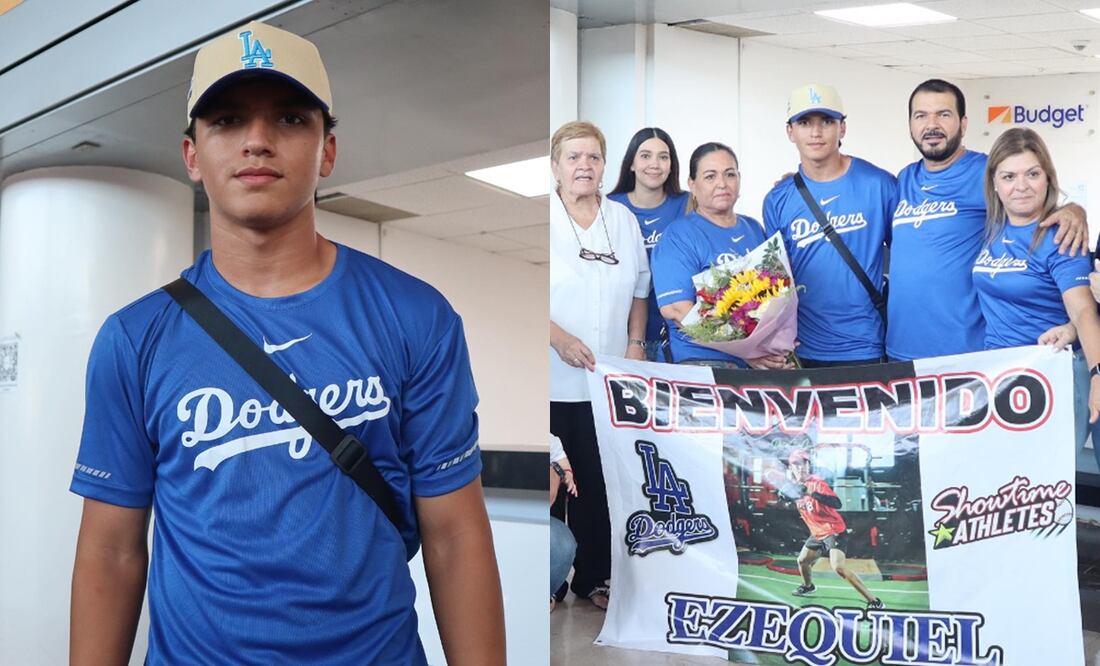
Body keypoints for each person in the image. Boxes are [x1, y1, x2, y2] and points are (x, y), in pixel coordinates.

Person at [68, 22, 505, 665]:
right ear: (192, 155)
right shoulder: (134, 339)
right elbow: (112, 549)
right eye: (227, 120)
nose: (257, 141)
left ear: (328, 150)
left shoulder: (416, 316)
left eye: (291, 119)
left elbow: (454, 534)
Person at [888, 79, 1088, 361]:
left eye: (943, 114)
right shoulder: (904, 179)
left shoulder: (985, 172)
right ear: (910, 123)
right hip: (902, 351)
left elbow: (1032, 199)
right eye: (921, 115)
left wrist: (1074, 210)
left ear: (963, 123)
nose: (931, 124)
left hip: (965, 353)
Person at [549, 120, 648, 609]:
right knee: (550, 488)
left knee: (597, 485)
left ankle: (594, 578)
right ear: (555, 167)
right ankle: (548, 579)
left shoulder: (623, 220)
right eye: (573, 157)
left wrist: (635, 342)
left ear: (605, 166)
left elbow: (639, 290)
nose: (584, 166)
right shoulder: (541, 218)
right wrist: (558, 338)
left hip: (605, 380)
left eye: (593, 158)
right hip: (547, 380)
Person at [973, 127, 1100, 452]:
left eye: (1032, 173)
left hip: (1049, 375)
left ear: (1048, 178)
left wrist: (1099, 373)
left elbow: (1083, 309)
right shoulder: (991, 229)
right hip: (997, 375)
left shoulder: (1061, 236)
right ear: (995, 184)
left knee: (1045, 487)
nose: (1021, 187)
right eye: (1009, 176)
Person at [763, 83, 897, 368]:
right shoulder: (777, 200)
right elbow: (775, 282)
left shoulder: (879, 185)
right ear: (790, 131)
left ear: (842, 128)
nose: (816, 132)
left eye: (826, 121)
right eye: (804, 122)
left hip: (865, 346)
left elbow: (908, 261)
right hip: (801, 350)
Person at [652, 142, 788, 369]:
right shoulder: (678, 236)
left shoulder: (753, 228)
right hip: (700, 363)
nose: (722, 184)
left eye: (730, 174)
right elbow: (677, 310)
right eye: (710, 176)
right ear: (692, 185)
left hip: (756, 364)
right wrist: (746, 351)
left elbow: (776, 291)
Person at [609, 127, 690, 362]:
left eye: (663, 157)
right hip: (624, 339)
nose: (655, 164)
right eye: (645, 156)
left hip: (678, 335)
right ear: (631, 164)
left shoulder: (688, 204)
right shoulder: (610, 208)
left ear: (671, 165)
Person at [786, 449, 883, 609]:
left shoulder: (817, 484)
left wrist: (812, 493)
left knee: (838, 566)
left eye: (803, 464)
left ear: (808, 466)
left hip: (833, 530)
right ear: (791, 469)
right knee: (802, 561)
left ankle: (874, 601)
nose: (800, 468)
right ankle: (808, 586)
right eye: (796, 465)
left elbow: (837, 503)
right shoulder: (795, 489)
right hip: (817, 533)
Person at [549, 434, 577, 613]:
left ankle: (547, 591)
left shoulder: (552, 441)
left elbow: (564, 465)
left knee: (562, 543)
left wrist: (567, 477)